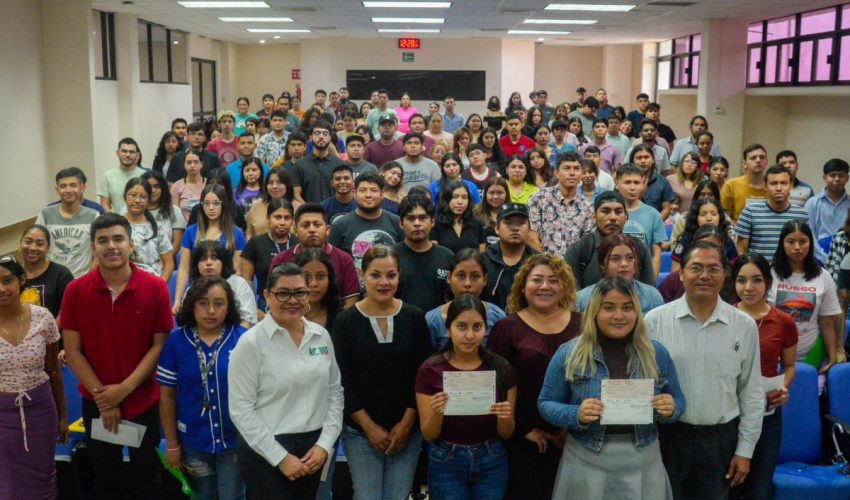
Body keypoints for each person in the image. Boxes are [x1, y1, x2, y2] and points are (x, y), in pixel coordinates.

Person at [538, 276, 684, 499]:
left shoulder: (656, 353)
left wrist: (671, 409)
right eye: (609, 308)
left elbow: (679, 402)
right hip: (586, 460)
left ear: (636, 312)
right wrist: (575, 413)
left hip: (643, 460)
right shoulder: (569, 353)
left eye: (627, 308)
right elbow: (545, 403)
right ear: (594, 311)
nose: (619, 316)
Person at [61, 213, 173, 498]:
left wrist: (123, 390)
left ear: (131, 244)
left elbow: (159, 346)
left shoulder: (156, 288)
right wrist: (105, 400)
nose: (111, 246)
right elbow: (72, 351)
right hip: (96, 402)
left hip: (142, 399)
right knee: (105, 476)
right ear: (93, 247)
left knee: (146, 475)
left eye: (118, 239)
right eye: (103, 240)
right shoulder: (75, 291)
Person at [646, 241, 764, 500]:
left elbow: (752, 393)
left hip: (720, 441)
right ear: (681, 273)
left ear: (725, 274)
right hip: (668, 438)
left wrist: (745, 450)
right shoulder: (654, 321)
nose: (704, 276)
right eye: (696, 267)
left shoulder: (744, 326)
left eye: (713, 269)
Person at [228, 263, 344, 498]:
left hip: (314, 448)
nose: (293, 300)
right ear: (267, 296)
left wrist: (324, 444)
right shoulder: (251, 343)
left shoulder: (321, 336)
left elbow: (335, 393)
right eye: (283, 293)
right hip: (265, 451)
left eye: (300, 292)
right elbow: (241, 410)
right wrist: (281, 458)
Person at [329, 245, 431, 498]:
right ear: (362, 275)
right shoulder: (345, 322)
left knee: (398, 496)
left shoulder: (414, 317)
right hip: (359, 431)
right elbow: (343, 381)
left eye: (391, 275)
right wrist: (369, 427)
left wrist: (407, 423)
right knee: (367, 496)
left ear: (399, 276)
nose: (384, 282)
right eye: (376, 275)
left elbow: (422, 376)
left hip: (407, 430)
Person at [488, 253, 583, 500]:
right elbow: (496, 386)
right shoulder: (506, 328)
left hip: (575, 439)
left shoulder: (583, 325)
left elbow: (593, 381)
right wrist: (524, 429)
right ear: (523, 285)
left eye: (553, 280)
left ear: (565, 286)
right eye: (537, 279)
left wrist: (571, 428)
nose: (544, 286)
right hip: (524, 441)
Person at [416, 294, 517, 499]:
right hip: (446, 460)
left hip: (492, 459)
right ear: (448, 328)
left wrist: (504, 416)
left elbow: (507, 433)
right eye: (461, 327)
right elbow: (428, 434)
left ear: (485, 328)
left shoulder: (502, 369)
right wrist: (437, 412)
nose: (470, 335)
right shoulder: (430, 370)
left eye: (477, 327)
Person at [157, 276, 247, 500]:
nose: (211, 310)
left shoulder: (243, 339)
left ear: (229, 306)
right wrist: (172, 444)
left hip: (235, 440)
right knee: (202, 496)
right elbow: (167, 397)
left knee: (232, 496)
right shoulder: (176, 342)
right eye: (203, 303)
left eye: (219, 303)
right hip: (192, 442)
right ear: (192, 305)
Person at [729, 253, 797, 500]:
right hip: (731, 412)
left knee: (759, 488)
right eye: (741, 280)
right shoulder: (726, 317)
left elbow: (789, 365)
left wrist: (784, 388)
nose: (748, 288)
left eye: (756, 280)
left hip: (767, 413)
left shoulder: (783, 321)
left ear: (767, 282)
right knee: (730, 485)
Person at [0, 256, 68, 500]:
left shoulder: (43, 318)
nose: (1, 288)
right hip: (2, 415)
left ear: (21, 281)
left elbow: (53, 370)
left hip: (41, 410)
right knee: (7, 483)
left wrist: (63, 416)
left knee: (44, 478)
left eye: (7, 280)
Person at [768, 220, 842, 370]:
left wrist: (833, 356)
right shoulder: (769, 274)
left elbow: (827, 321)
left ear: (811, 243)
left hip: (812, 354)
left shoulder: (823, 276)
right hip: (773, 354)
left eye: (803, 241)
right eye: (791, 241)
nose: (797, 247)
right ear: (782, 243)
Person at [173, 184, 247, 315]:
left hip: (226, 290)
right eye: (206, 203)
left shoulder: (236, 233)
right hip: (197, 289)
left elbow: (236, 271)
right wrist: (177, 300)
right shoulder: (191, 232)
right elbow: (184, 268)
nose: (211, 208)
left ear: (223, 205)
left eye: (216, 203)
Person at [270, 203, 360, 308]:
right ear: (295, 230)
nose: (312, 230)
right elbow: (273, 297)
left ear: (327, 230)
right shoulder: (281, 259)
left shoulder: (344, 259)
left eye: (317, 225)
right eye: (305, 225)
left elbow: (350, 301)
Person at [565, 190, 657, 290]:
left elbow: (649, 292)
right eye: (605, 211)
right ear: (594, 217)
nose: (613, 217)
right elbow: (573, 298)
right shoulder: (578, 250)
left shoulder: (639, 248)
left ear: (626, 217)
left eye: (618, 212)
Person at [426, 248, 507, 350]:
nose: (467, 283)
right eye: (461, 276)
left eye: (475, 276)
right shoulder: (433, 320)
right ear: (449, 278)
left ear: (485, 279)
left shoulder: (497, 317)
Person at [328, 172, 404, 270]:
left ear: (382, 194)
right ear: (354, 194)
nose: (368, 195)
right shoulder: (340, 225)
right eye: (363, 190)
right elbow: (334, 264)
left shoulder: (396, 222)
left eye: (373, 190)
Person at [393, 195, 454, 313]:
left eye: (423, 218)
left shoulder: (447, 256)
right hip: (402, 326)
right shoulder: (391, 257)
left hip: (438, 327)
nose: (417, 223)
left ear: (432, 221)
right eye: (410, 218)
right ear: (401, 223)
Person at [735, 165, 809, 261]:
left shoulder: (802, 214)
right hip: (759, 273)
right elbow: (741, 250)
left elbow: (805, 248)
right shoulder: (750, 211)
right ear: (765, 186)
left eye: (783, 183)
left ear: (790, 185)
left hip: (789, 273)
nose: (779, 188)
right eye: (774, 183)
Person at [528, 151, 595, 256]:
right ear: (556, 173)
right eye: (567, 168)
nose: (572, 173)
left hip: (573, 268)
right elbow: (531, 237)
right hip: (543, 265)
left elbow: (586, 244)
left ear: (581, 173)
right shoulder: (539, 198)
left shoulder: (587, 206)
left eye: (576, 168)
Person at [37, 167, 101, 278]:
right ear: (57, 190)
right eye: (63, 186)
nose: (68, 190)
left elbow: (99, 245)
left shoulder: (93, 215)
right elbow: (37, 242)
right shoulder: (46, 214)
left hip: (82, 278)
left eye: (73, 185)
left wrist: (93, 268)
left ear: (82, 188)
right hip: (53, 277)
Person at [576, 234, 664, 314]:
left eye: (630, 258)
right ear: (602, 265)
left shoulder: (652, 296)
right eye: (615, 259)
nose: (624, 264)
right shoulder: (582, 299)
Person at [187, 241, 257, 327]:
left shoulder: (239, 284)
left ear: (223, 262)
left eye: (214, 258)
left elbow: (246, 322)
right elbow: (186, 321)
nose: (208, 263)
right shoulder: (193, 288)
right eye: (203, 259)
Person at [616, 164, 667, 277]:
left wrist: (651, 284)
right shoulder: (611, 213)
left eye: (637, 183)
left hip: (643, 276)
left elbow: (656, 254)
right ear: (617, 183)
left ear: (643, 184)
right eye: (627, 182)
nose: (632, 187)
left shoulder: (653, 214)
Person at [482, 203, 536, 309]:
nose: (515, 228)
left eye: (521, 223)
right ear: (497, 228)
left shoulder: (538, 262)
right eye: (509, 223)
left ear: (529, 228)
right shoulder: (482, 261)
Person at [18, 224, 74, 322]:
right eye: (28, 242)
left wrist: (49, 335)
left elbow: (68, 311)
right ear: (20, 243)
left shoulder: (62, 275)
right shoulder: (12, 273)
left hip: (53, 334)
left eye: (40, 244)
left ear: (48, 248)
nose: (32, 248)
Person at [241, 198, 297, 295]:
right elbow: (246, 280)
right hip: (265, 303)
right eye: (277, 217)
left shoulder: (299, 243)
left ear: (292, 221)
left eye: (287, 218)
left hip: (295, 300)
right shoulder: (255, 243)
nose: (282, 223)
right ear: (268, 218)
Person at [123, 178, 173, 280]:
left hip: (153, 284)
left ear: (149, 200)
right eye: (133, 195)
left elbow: (169, 263)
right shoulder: (116, 226)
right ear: (125, 197)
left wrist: (160, 287)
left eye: (143, 197)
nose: (137, 200)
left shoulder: (157, 228)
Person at [671, 198, 738, 271]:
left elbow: (735, 271)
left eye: (714, 214)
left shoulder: (727, 240)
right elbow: (675, 272)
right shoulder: (686, 240)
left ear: (720, 217)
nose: (709, 218)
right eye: (703, 214)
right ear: (696, 218)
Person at [804, 158, 850, 259]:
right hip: (818, 259)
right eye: (832, 175)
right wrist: (825, 258)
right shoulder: (812, 203)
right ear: (825, 177)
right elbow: (809, 235)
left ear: (847, 178)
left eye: (841, 175)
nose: (837, 179)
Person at [292, 120, 346, 204]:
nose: (321, 137)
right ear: (310, 137)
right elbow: (296, 194)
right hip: (308, 213)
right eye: (317, 133)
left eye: (325, 134)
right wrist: (309, 209)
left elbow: (344, 193)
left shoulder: (339, 164)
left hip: (334, 213)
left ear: (330, 137)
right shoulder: (300, 164)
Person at [431, 181, 487, 253]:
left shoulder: (478, 223)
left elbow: (482, 255)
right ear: (446, 199)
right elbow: (435, 254)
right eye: (455, 197)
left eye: (464, 197)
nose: (460, 202)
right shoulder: (435, 224)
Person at [141, 170, 185, 258]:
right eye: (148, 187)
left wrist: (160, 263)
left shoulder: (174, 211)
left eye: (156, 186)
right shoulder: (133, 210)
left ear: (163, 189)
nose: (152, 190)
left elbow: (176, 244)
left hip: (165, 262)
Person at [721, 144, 769, 223]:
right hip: (738, 233)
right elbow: (725, 218)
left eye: (762, 157)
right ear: (744, 164)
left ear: (766, 162)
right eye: (753, 158)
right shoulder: (731, 185)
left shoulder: (772, 186)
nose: (758, 160)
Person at [245, 166, 296, 239]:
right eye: (270, 183)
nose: (274, 186)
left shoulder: (298, 207)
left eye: (279, 182)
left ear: (287, 185)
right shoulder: (256, 207)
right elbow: (249, 234)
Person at [98, 138, 146, 213]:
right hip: (115, 222)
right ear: (117, 153)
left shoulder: (145, 175)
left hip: (139, 221)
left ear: (137, 155)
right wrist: (115, 221)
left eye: (131, 152)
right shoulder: (107, 176)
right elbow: (104, 204)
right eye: (124, 151)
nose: (127, 155)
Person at [629, 143, 675, 219]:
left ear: (653, 160)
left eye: (646, 157)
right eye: (639, 158)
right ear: (632, 161)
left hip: (654, 224)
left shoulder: (663, 182)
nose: (643, 161)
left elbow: (666, 208)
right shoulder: (625, 181)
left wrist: (654, 224)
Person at [170, 148, 207, 222]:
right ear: (184, 164)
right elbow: (176, 215)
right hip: (184, 230)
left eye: (196, 162)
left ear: (201, 164)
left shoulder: (209, 184)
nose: (192, 165)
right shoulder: (176, 187)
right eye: (189, 162)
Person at [475, 176, 509, 242]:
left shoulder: (513, 213)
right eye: (491, 193)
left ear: (506, 194)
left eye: (500, 193)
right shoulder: (475, 213)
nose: (495, 197)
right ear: (485, 194)